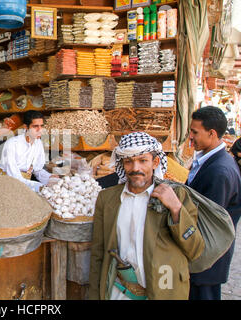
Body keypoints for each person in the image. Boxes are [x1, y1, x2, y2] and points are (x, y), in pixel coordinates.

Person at [89, 132, 205, 300]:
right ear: (122, 164)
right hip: (119, 292)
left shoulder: (176, 195)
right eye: (129, 161)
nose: (136, 168)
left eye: (143, 160)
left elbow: (195, 249)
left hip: (165, 290)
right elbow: (98, 253)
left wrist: (175, 208)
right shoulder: (107, 199)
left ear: (155, 162)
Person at [186, 106, 241, 300]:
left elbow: (208, 222)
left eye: (195, 132)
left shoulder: (220, 171)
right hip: (203, 259)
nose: (190, 137)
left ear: (212, 133)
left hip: (208, 260)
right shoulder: (210, 161)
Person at [0, 110, 57, 192]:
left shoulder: (38, 143)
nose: (40, 130)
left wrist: (49, 177)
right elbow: (14, 176)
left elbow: (37, 169)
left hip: (26, 182)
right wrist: (38, 186)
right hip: (8, 184)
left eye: (41, 126)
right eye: (35, 126)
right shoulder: (12, 144)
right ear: (26, 127)